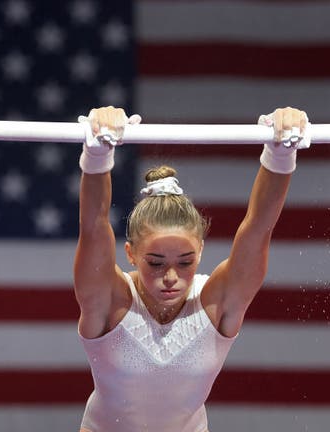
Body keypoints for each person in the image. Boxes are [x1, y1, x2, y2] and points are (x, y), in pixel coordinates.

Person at [74, 106, 309, 432]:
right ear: (130, 254)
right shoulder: (110, 300)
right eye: (155, 263)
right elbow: (94, 226)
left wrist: (281, 151)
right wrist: (98, 152)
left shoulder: (217, 302)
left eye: (185, 262)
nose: (170, 277)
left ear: (200, 251)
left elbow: (258, 227)